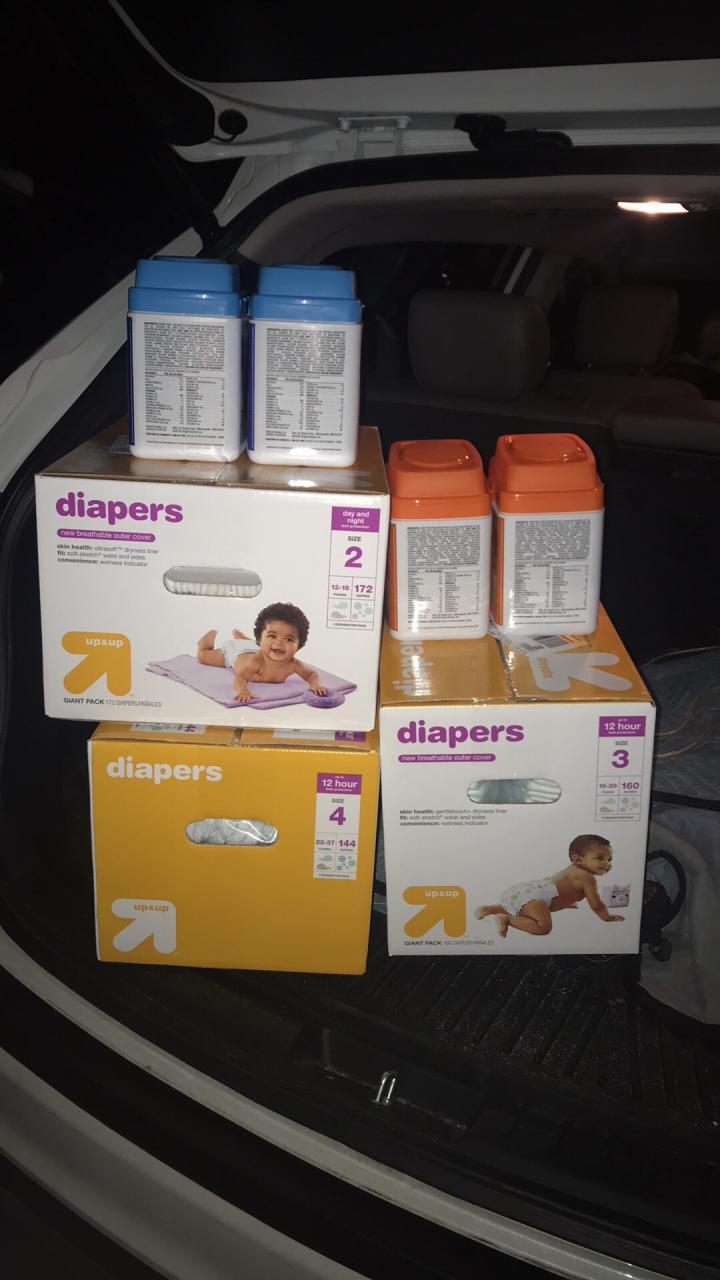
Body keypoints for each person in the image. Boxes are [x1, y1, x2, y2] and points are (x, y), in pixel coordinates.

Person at [474, 833, 624, 938]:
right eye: (600, 858)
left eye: (609, 859)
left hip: (523, 892)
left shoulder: (571, 870)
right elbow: (596, 905)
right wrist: (606, 917)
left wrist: (566, 902)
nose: (607, 863)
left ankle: (488, 909)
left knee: (523, 907)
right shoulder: (587, 878)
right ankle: (507, 919)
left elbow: (557, 889)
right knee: (543, 927)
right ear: (578, 860)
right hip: (536, 898)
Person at [197, 602, 327, 703]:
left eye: (289, 639)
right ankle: (204, 644)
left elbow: (311, 674)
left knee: (249, 644)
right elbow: (241, 678)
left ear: (299, 645)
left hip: (253, 646)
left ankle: (241, 637)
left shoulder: (293, 664)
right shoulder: (257, 661)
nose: (279, 643)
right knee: (203, 657)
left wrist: (315, 685)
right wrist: (243, 691)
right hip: (237, 653)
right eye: (272, 636)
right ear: (259, 638)